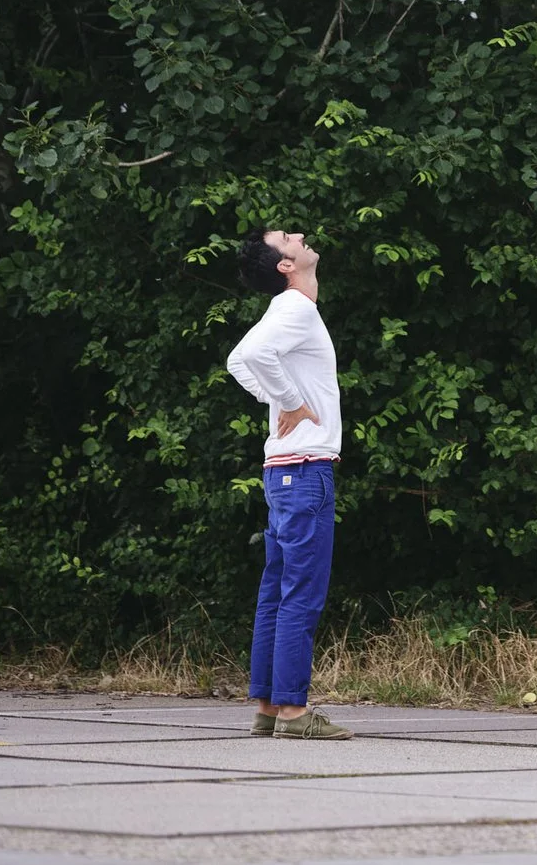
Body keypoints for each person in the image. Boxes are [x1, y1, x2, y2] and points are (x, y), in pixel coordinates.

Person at [227, 226, 351, 739]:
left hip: (283, 474)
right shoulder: (295, 309)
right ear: (285, 265)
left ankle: (268, 709)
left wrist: (280, 399)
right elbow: (250, 359)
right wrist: (293, 404)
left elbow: (239, 359)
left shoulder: (284, 313)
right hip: (305, 473)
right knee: (300, 593)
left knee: (277, 592)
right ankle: (295, 714)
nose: (299, 236)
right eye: (288, 238)